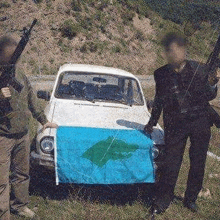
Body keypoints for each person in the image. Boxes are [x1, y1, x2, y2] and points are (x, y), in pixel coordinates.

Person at [144, 32, 219, 214]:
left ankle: (190, 199)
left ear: (184, 51)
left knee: (198, 162)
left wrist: (213, 82)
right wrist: (152, 122)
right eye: (169, 51)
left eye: (177, 50)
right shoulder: (160, 73)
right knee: (171, 162)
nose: (173, 54)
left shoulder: (199, 69)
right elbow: (159, 99)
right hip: (175, 124)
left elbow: (209, 96)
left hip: (200, 122)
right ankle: (163, 200)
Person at [0, 36, 58, 219]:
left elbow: (31, 97)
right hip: (3, 136)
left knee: (22, 173)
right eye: (12, 54)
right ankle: (4, 213)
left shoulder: (19, 74)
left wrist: (43, 120)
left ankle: (19, 205)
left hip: (22, 134)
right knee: (2, 181)